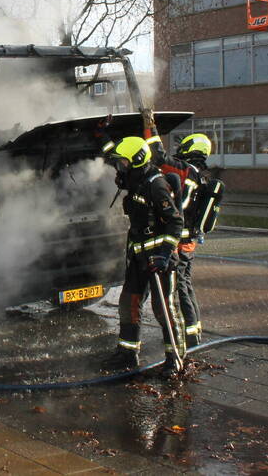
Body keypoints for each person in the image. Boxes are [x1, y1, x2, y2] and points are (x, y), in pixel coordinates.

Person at [101, 136, 187, 374]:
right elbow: (115, 167)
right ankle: (127, 354)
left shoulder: (155, 184)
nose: (120, 168)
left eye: (123, 163)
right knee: (128, 304)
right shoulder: (135, 180)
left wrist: (164, 254)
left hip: (159, 260)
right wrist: (106, 144)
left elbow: (175, 223)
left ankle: (175, 358)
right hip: (138, 258)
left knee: (164, 309)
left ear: (137, 161)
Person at [149, 133, 215, 349]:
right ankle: (193, 331)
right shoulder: (200, 174)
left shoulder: (186, 169)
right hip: (190, 240)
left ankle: (188, 336)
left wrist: (150, 129)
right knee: (186, 284)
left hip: (180, 240)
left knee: (180, 288)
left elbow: (159, 157)